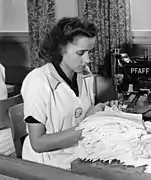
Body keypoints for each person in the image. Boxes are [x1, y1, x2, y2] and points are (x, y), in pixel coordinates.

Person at [21, 17, 118, 169]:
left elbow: (77, 117)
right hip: (46, 164)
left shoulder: (84, 75)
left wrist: (95, 115)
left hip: (76, 155)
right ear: (60, 49)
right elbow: (38, 143)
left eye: (89, 52)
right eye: (81, 53)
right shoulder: (38, 81)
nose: (87, 60)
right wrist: (87, 127)